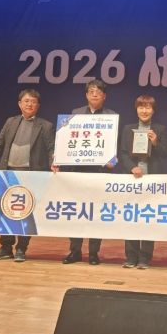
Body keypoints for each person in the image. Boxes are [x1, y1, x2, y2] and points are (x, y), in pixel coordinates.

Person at [0, 89, 55, 263]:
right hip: (7, 174)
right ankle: (5, 248)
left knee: (26, 213)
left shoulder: (46, 126)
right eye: (26, 101)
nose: (29, 104)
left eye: (33, 101)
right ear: (19, 104)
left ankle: (21, 248)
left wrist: (53, 163)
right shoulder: (11, 122)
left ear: (38, 106)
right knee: (6, 212)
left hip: (30, 175)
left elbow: (52, 149)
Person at [61, 79, 118, 265]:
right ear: (86, 95)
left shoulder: (111, 116)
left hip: (100, 173)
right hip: (78, 171)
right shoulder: (75, 114)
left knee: (96, 213)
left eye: (98, 91)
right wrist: (60, 156)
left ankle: (93, 253)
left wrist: (112, 161)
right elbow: (67, 141)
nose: (94, 94)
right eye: (91, 91)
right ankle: (75, 251)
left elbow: (114, 146)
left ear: (104, 96)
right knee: (77, 212)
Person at [118, 95, 167, 269]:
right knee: (131, 217)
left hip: (152, 179)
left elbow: (166, 154)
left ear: (153, 110)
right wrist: (132, 167)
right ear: (136, 109)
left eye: (148, 107)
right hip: (132, 178)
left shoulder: (160, 129)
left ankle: (145, 258)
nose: (144, 111)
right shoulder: (128, 129)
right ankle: (131, 257)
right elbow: (123, 153)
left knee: (148, 217)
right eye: (141, 107)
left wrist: (155, 142)